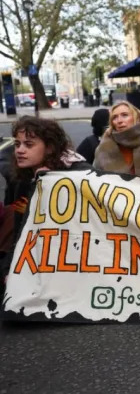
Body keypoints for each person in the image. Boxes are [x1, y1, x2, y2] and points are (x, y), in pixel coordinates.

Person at [3, 117, 91, 283]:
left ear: (49, 148)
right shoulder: (21, 179)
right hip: (33, 265)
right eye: (17, 144)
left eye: (28, 145)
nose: (19, 150)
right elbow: (20, 230)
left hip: (70, 269)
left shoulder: (80, 175)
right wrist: (10, 269)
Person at [93, 101, 140, 180]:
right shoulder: (103, 148)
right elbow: (95, 180)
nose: (119, 120)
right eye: (114, 117)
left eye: (124, 115)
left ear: (137, 118)